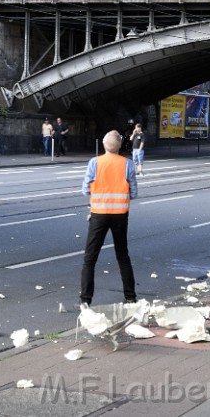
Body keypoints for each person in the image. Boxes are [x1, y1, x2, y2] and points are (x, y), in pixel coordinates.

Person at [79, 130, 138, 308]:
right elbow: (133, 193)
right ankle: (130, 296)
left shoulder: (94, 163)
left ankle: (85, 301)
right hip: (120, 215)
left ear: (104, 145)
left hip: (98, 215)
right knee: (122, 255)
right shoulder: (127, 164)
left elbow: (85, 190)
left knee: (90, 258)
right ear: (119, 146)